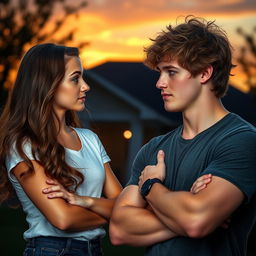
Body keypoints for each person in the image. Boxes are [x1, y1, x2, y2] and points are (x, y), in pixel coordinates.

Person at [109, 16, 256, 255]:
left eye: (171, 72)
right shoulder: (154, 149)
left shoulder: (241, 141)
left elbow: (196, 221)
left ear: (204, 74)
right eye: (160, 72)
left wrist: (151, 186)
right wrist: (185, 211)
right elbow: (120, 229)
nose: (159, 83)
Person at [0, 43, 124, 256]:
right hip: (51, 250)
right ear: (48, 84)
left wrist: (88, 202)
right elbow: (63, 219)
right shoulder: (23, 145)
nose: (85, 86)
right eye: (75, 78)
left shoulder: (90, 139)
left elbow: (123, 200)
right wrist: (114, 212)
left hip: (95, 250)